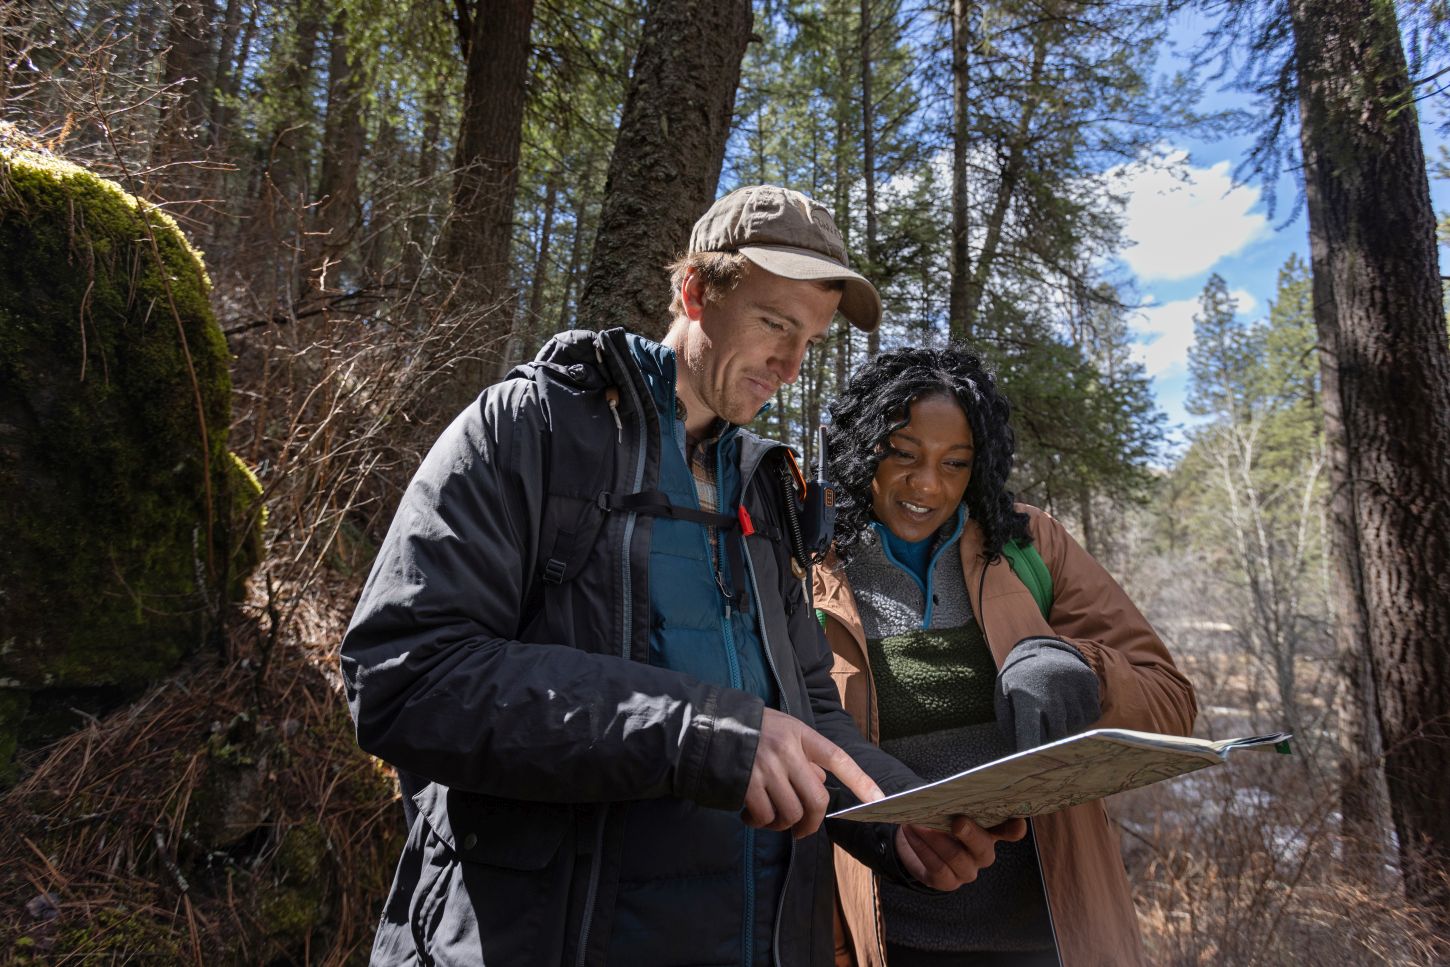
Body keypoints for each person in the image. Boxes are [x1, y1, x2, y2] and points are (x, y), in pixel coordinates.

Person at [340, 187, 1025, 966]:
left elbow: (809, 711)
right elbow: (406, 675)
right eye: (775, 324)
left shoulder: (766, 490)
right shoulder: (530, 427)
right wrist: (700, 732)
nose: (792, 366)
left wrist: (893, 816)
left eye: (811, 339)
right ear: (696, 290)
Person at [814, 345, 1197, 967]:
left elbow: (1171, 700)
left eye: (955, 463)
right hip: (887, 937)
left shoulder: (1028, 544)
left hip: (1054, 936)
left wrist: (1074, 667)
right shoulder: (809, 567)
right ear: (863, 450)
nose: (928, 484)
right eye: (904, 454)